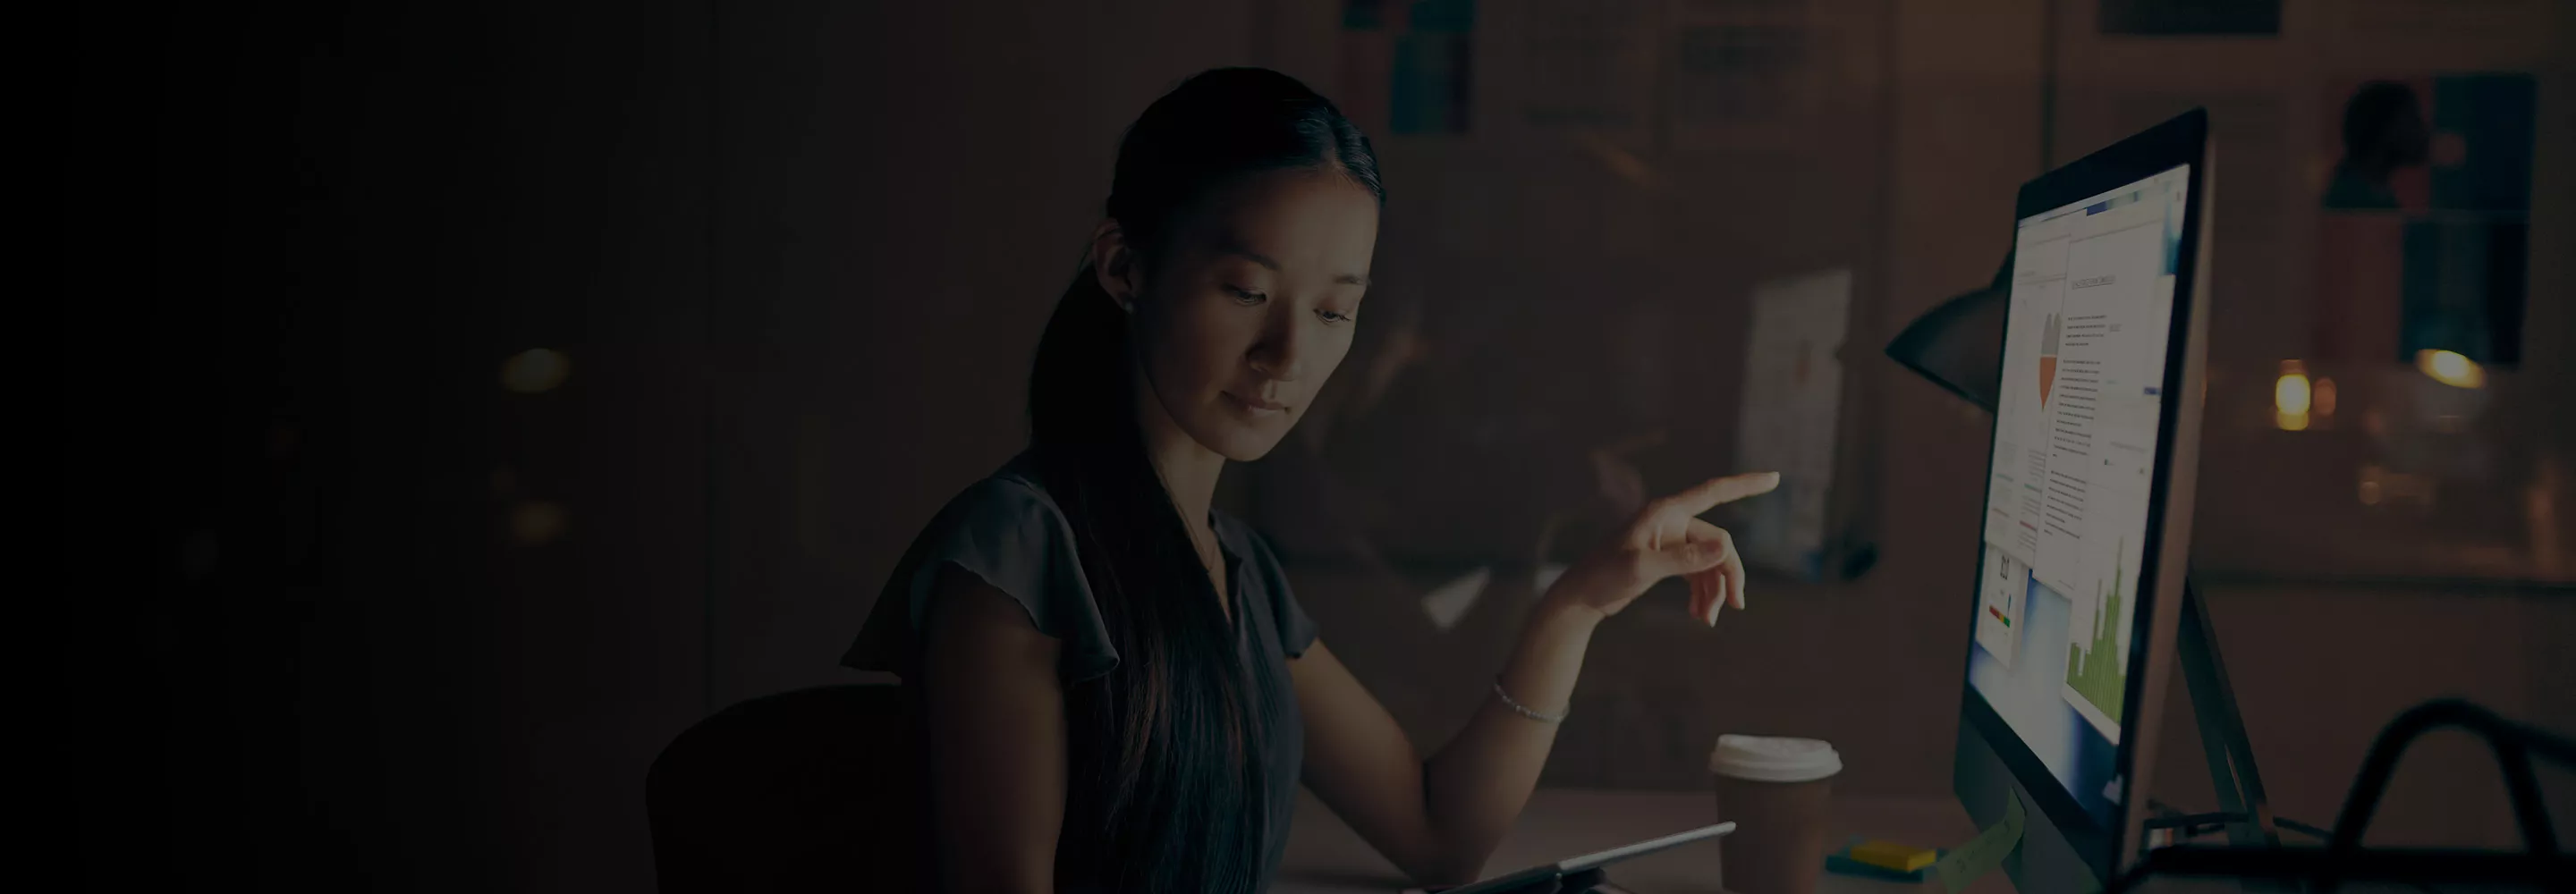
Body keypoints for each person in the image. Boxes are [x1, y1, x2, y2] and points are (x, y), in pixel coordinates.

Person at [843, 67, 1777, 894]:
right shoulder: (1018, 554)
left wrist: (1579, 603)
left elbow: (1438, 835)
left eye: (1335, 310)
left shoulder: (1239, 573)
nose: (1290, 353)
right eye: (1248, 293)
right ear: (1125, 267)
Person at [2323, 80, 2431, 211]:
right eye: (2413, 120)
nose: (2423, 132)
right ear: (2386, 128)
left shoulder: (2372, 195)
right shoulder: (2351, 200)